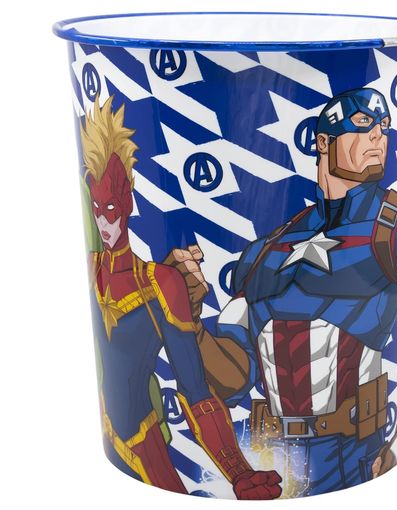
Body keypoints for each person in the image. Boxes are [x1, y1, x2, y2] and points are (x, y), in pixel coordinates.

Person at [170, 88, 397, 495]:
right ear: (323, 142)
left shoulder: (396, 229)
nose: (378, 136)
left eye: (383, 126)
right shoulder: (266, 250)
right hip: (272, 457)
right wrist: (188, 315)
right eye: (362, 125)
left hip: (355, 455)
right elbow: (233, 376)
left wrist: (396, 443)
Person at [83, 95, 282, 499]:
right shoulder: (94, 266)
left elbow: (196, 389)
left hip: (146, 448)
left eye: (112, 207)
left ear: (127, 202)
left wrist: (238, 473)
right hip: (108, 450)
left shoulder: (159, 283)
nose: (104, 220)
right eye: (97, 208)